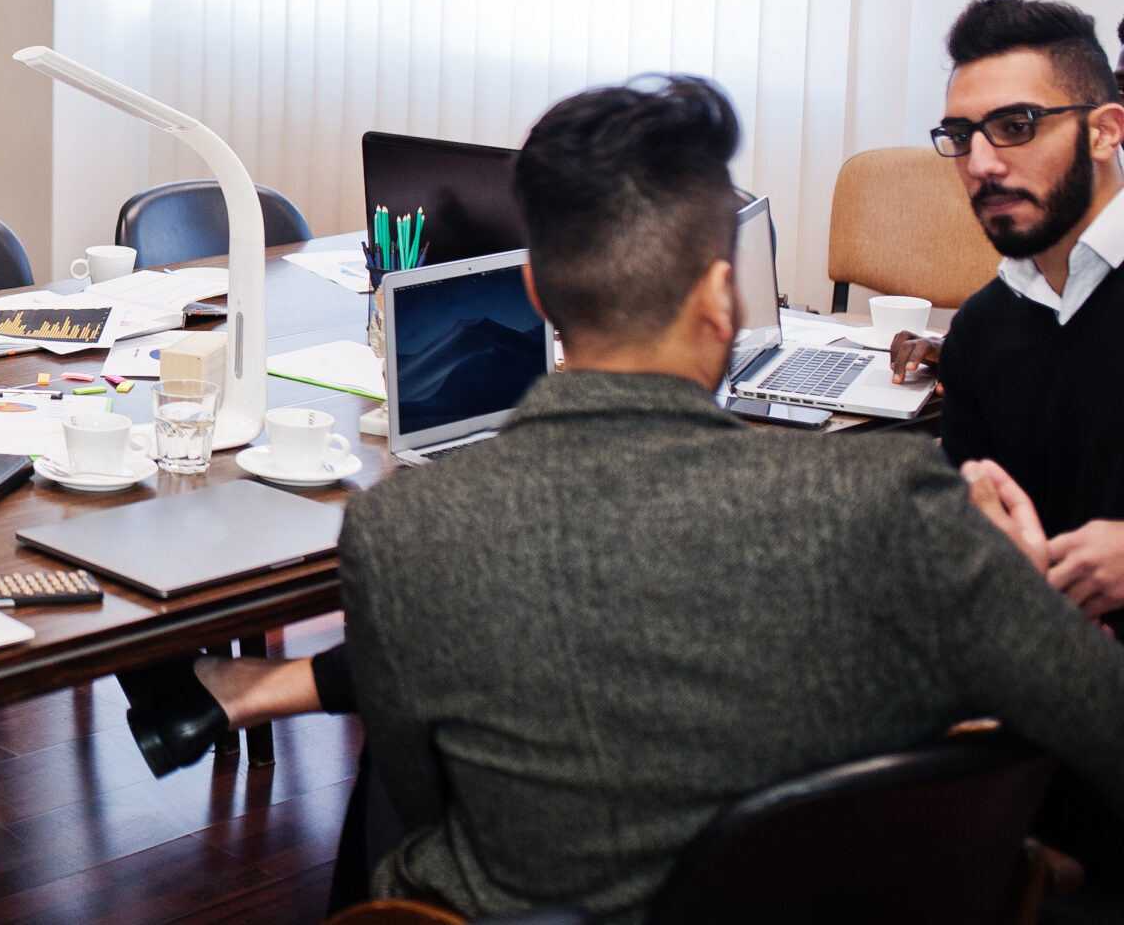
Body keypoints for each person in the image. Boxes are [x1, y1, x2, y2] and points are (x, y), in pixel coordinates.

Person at [323, 75, 1124, 922]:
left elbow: (420, 791)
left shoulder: (400, 527)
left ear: (537, 298)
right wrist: (1021, 593)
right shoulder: (895, 500)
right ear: (719, 295)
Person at [887, 0, 1124, 899]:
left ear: (1104, 130)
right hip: (1046, 722)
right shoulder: (985, 330)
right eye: (962, 134)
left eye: (1015, 126)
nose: (981, 161)